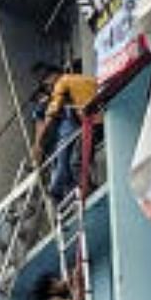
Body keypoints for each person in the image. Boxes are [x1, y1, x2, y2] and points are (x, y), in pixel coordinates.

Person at [31, 65, 97, 200]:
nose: (49, 90)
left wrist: (40, 142)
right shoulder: (78, 79)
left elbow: (54, 108)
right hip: (98, 118)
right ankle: (83, 189)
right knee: (75, 159)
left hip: (93, 122)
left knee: (75, 162)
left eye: (47, 85)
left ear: (52, 77)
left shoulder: (62, 83)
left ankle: (86, 191)